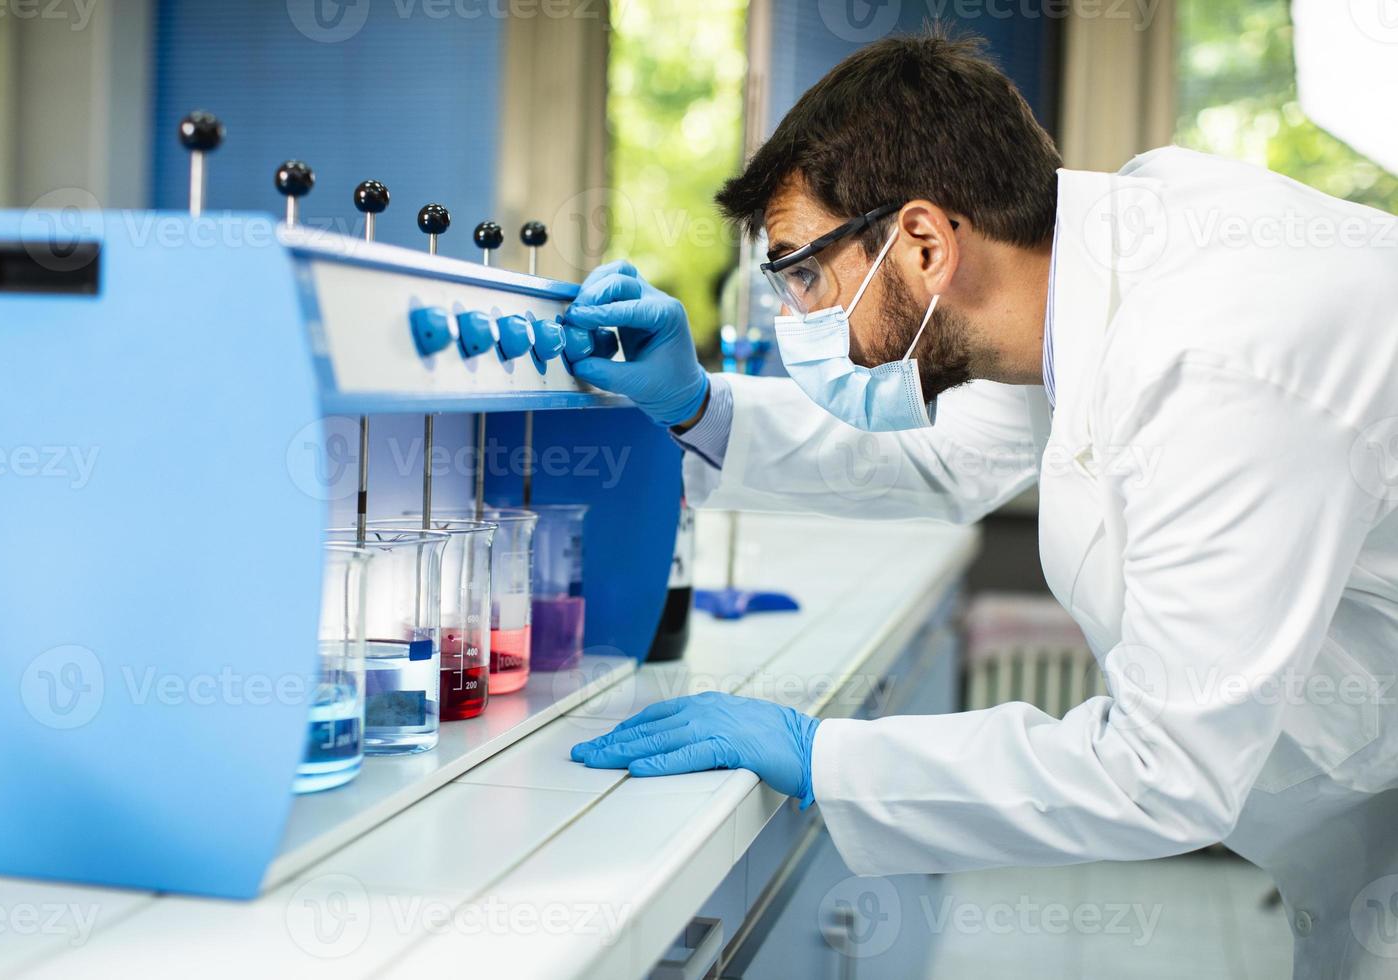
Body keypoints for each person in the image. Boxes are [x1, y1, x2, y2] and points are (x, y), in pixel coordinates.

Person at [564, 29, 1398, 979]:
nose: (792, 317)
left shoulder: (1220, 361)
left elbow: (1164, 774)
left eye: (802, 274)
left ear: (922, 242)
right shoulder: (1104, 264)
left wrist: (823, 755)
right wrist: (696, 406)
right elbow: (952, 457)